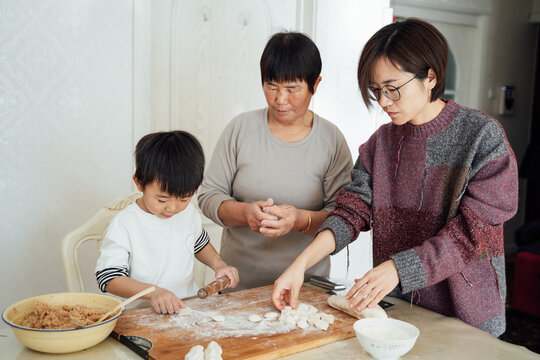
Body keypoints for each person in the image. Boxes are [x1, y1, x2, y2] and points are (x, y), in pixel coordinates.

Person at [272, 18, 518, 338]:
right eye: (377, 91)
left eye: (392, 89)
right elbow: (350, 212)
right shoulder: (381, 144)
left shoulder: (483, 138)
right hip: (399, 312)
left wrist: (399, 269)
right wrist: (299, 266)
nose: (384, 102)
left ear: (430, 76)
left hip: (468, 319)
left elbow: (470, 236)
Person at [197, 32, 353, 291]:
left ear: (316, 84)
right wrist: (246, 214)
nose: (280, 99)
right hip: (238, 284)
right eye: (271, 86)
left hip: (306, 288)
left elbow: (343, 217)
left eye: (292, 89)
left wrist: (300, 220)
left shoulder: (331, 140)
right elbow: (209, 196)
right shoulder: (240, 128)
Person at [95, 131, 239, 314]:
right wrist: (153, 292)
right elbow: (109, 279)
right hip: (140, 314)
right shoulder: (125, 224)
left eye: (184, 199)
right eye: (162, 200)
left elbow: (199, 244)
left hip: (187, 305)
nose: (172, 208)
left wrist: (219, 264)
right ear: (139, 183)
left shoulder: (188, 214)